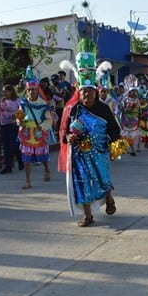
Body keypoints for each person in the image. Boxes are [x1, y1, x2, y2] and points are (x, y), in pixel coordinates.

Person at [60, 85, 122, 227]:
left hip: (99, 151)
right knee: (82, 183)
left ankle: (109, 198)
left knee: (102, 180)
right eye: (83, 91)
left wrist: (115, 146)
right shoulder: (74, 109)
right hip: (79, 153)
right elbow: (65, 130)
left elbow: (114, 129)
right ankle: (88, 215)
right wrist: (68, 137)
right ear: (79, 93)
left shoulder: (103, 109)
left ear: (95, 93)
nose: (86, 94)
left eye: (89, 91)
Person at [17, 75, 53, 189]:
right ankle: (27, 181)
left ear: (37, 90)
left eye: (33, 89)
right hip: (27, 132)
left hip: (38, 132)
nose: (31, 92)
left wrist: (42, 126)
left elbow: (49, 119)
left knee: (42, 156)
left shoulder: (43, 104)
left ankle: (47, 169)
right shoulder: (23, 103)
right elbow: (19, 116)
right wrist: (20, 121)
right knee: (26, 158)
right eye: (29, 90)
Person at [0, 84, 23, 174]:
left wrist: (16, 116)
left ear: (11, 91)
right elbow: (0, 111)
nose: (4, 93)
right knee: (6, 145)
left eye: (6, 91)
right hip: (4, 124)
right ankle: (8, 166)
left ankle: (20, 159)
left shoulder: (17, 100)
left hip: (13, 125)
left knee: (13, 144)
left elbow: (21, 111)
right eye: (3, 91)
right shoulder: (3, 100)